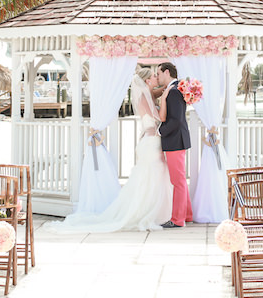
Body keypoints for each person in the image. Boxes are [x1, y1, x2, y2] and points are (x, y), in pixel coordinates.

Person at [46, 68, 173, 233]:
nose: (157, 78)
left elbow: (154, 94)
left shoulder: (147, 95)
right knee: (148, 179)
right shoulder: (144, 98)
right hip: (151, 143)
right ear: (148, 81)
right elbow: (159, 117)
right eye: (154, 76)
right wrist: (166, 98)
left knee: (153, 178)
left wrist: (166, 89)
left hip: (151, 141)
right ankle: (143, 212)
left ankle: (156, 211)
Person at [157, 61, 193, 228]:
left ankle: (178, 220)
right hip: (178, 140)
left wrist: (160, 132)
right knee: (180, 180)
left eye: (158, 74)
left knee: (177, 181)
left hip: (174, 140)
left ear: (166, 72)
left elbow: (176, 120)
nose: (158, 77)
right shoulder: (177, 88)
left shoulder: (173, 91)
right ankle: (187, 214)